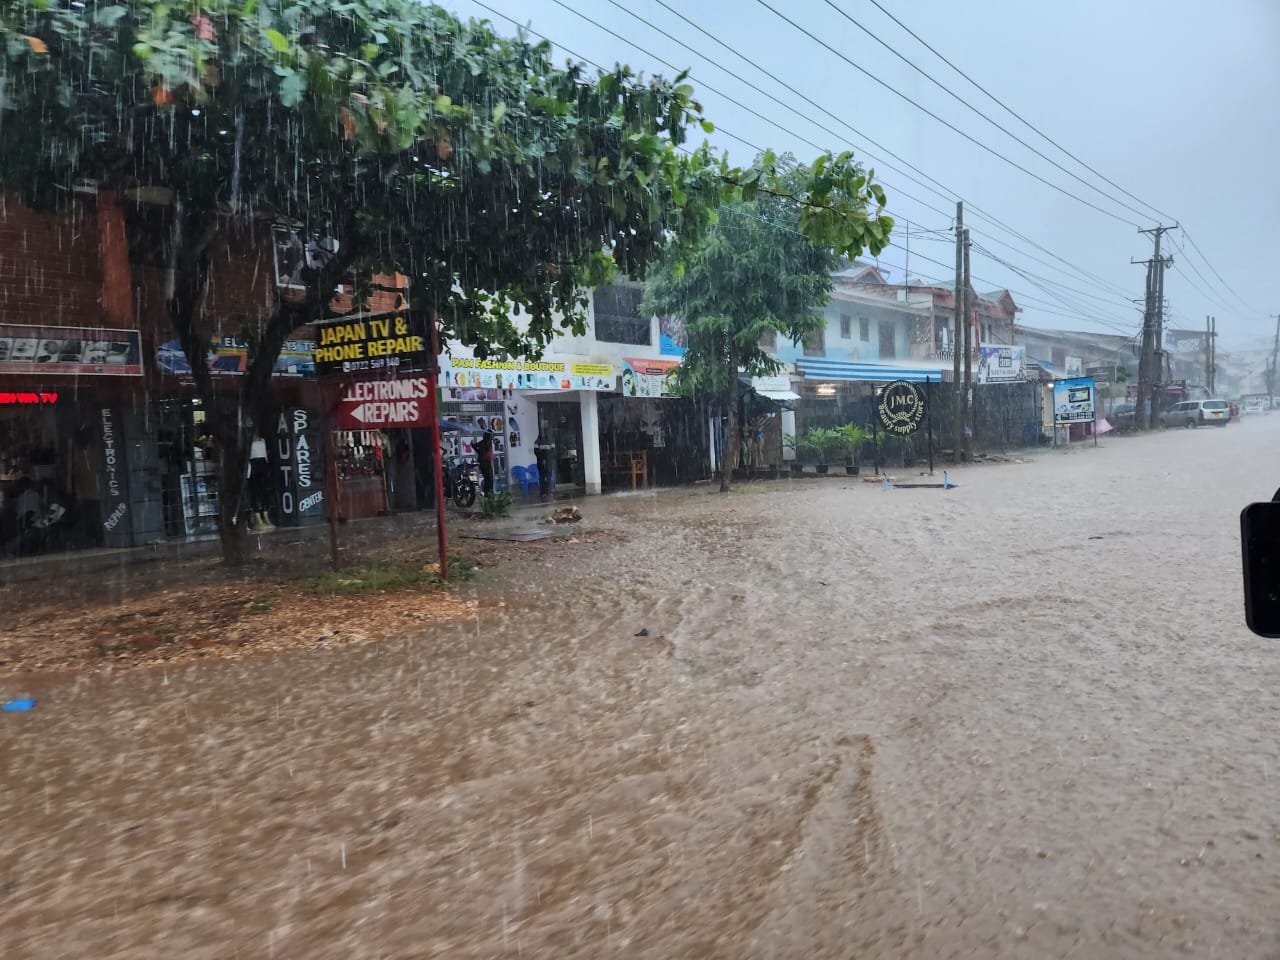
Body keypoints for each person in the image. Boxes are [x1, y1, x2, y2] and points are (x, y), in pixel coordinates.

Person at [534, 429, 556, 500]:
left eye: (543, 433)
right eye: (541, 433)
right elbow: (536, 452)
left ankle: (549, 492)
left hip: (549, 462)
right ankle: (543, 493)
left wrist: (547, 459)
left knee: (549, 477)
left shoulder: (551, 441)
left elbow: (553, 451)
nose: (542, 434)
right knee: (542, 478)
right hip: (541, 463)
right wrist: (542, 459)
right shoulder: (537, 442)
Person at [475, 429, 494, 497]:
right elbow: (481, 452)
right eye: (491, 435)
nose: (492, 436)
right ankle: (488, 493)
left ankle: (488, 493)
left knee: (488, 478)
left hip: (485, 462)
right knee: (489, 478)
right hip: (484, 462)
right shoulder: (485, 443)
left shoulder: (487, 442)